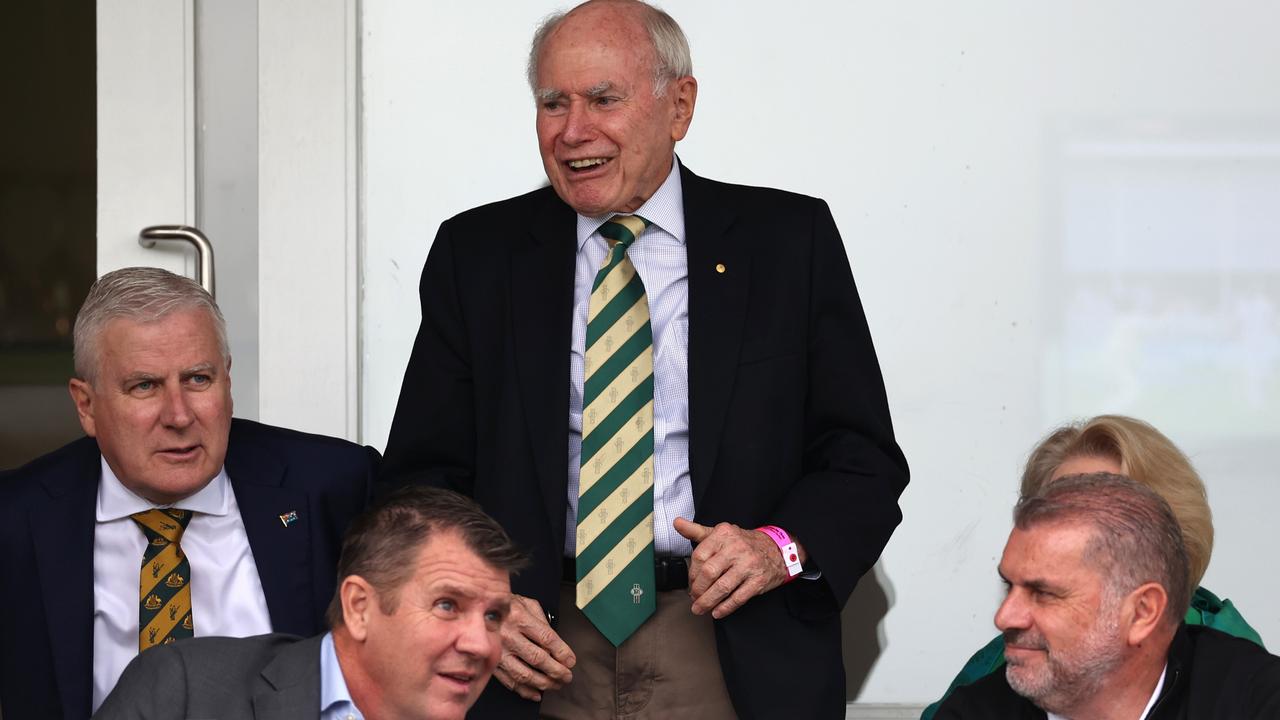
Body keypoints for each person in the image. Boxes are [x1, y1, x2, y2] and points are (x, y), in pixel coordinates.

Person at [379, 1, 909, 718]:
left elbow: (861, 461)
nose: (573, 131)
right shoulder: (478, 256)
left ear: (679, 106)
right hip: (532, 642)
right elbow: (421, 477)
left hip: (730, 639)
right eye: (552, 103)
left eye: (603, 99)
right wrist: (477, 603)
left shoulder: (786, 243)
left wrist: (774, 547)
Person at [0, 267, 378, 718]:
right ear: (86, 405)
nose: (179, 416)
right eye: (145, 386)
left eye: (198, 379)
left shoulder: (334, 488)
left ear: (228, 381)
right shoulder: (17, 521)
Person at [922, 415, 1263, 719]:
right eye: (1055, 507)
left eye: (1104, 509)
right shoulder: (988, 686)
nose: (1007, 617)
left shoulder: (1243, 688)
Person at [94, 486, 526, 720]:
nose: (482, 644)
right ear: (359, 607)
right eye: (448, 605)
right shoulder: (188, 690)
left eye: (493, 616)